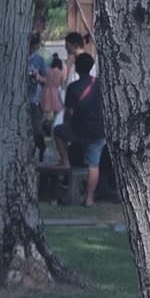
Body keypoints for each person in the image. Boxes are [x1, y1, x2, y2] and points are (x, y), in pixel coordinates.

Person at [54, 52, 104, 206]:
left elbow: (69, 112)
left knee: (57, 131)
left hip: (79, 129)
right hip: (98, 130)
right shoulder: (100, 85)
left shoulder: (73, 87)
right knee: (93, 165)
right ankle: (89, 199)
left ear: (76, 68)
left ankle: (65, 161)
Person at [28, 32, 47, 161]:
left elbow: (46, 81)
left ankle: (40, 148)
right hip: (21, 99)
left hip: (34, 99)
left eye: (36, 47)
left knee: (36, 129)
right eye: (32, 46)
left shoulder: (39, 60)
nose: (33, 49)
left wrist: (38, 77)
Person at [41, 53, 64, 129]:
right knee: (56, 111)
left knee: (46, 112)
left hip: (46, 91)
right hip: (55, 92)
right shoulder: (61, 73)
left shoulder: (48, 71)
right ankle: (54, 126)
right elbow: (62, 84)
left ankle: (44, 127)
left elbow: (44, 80)